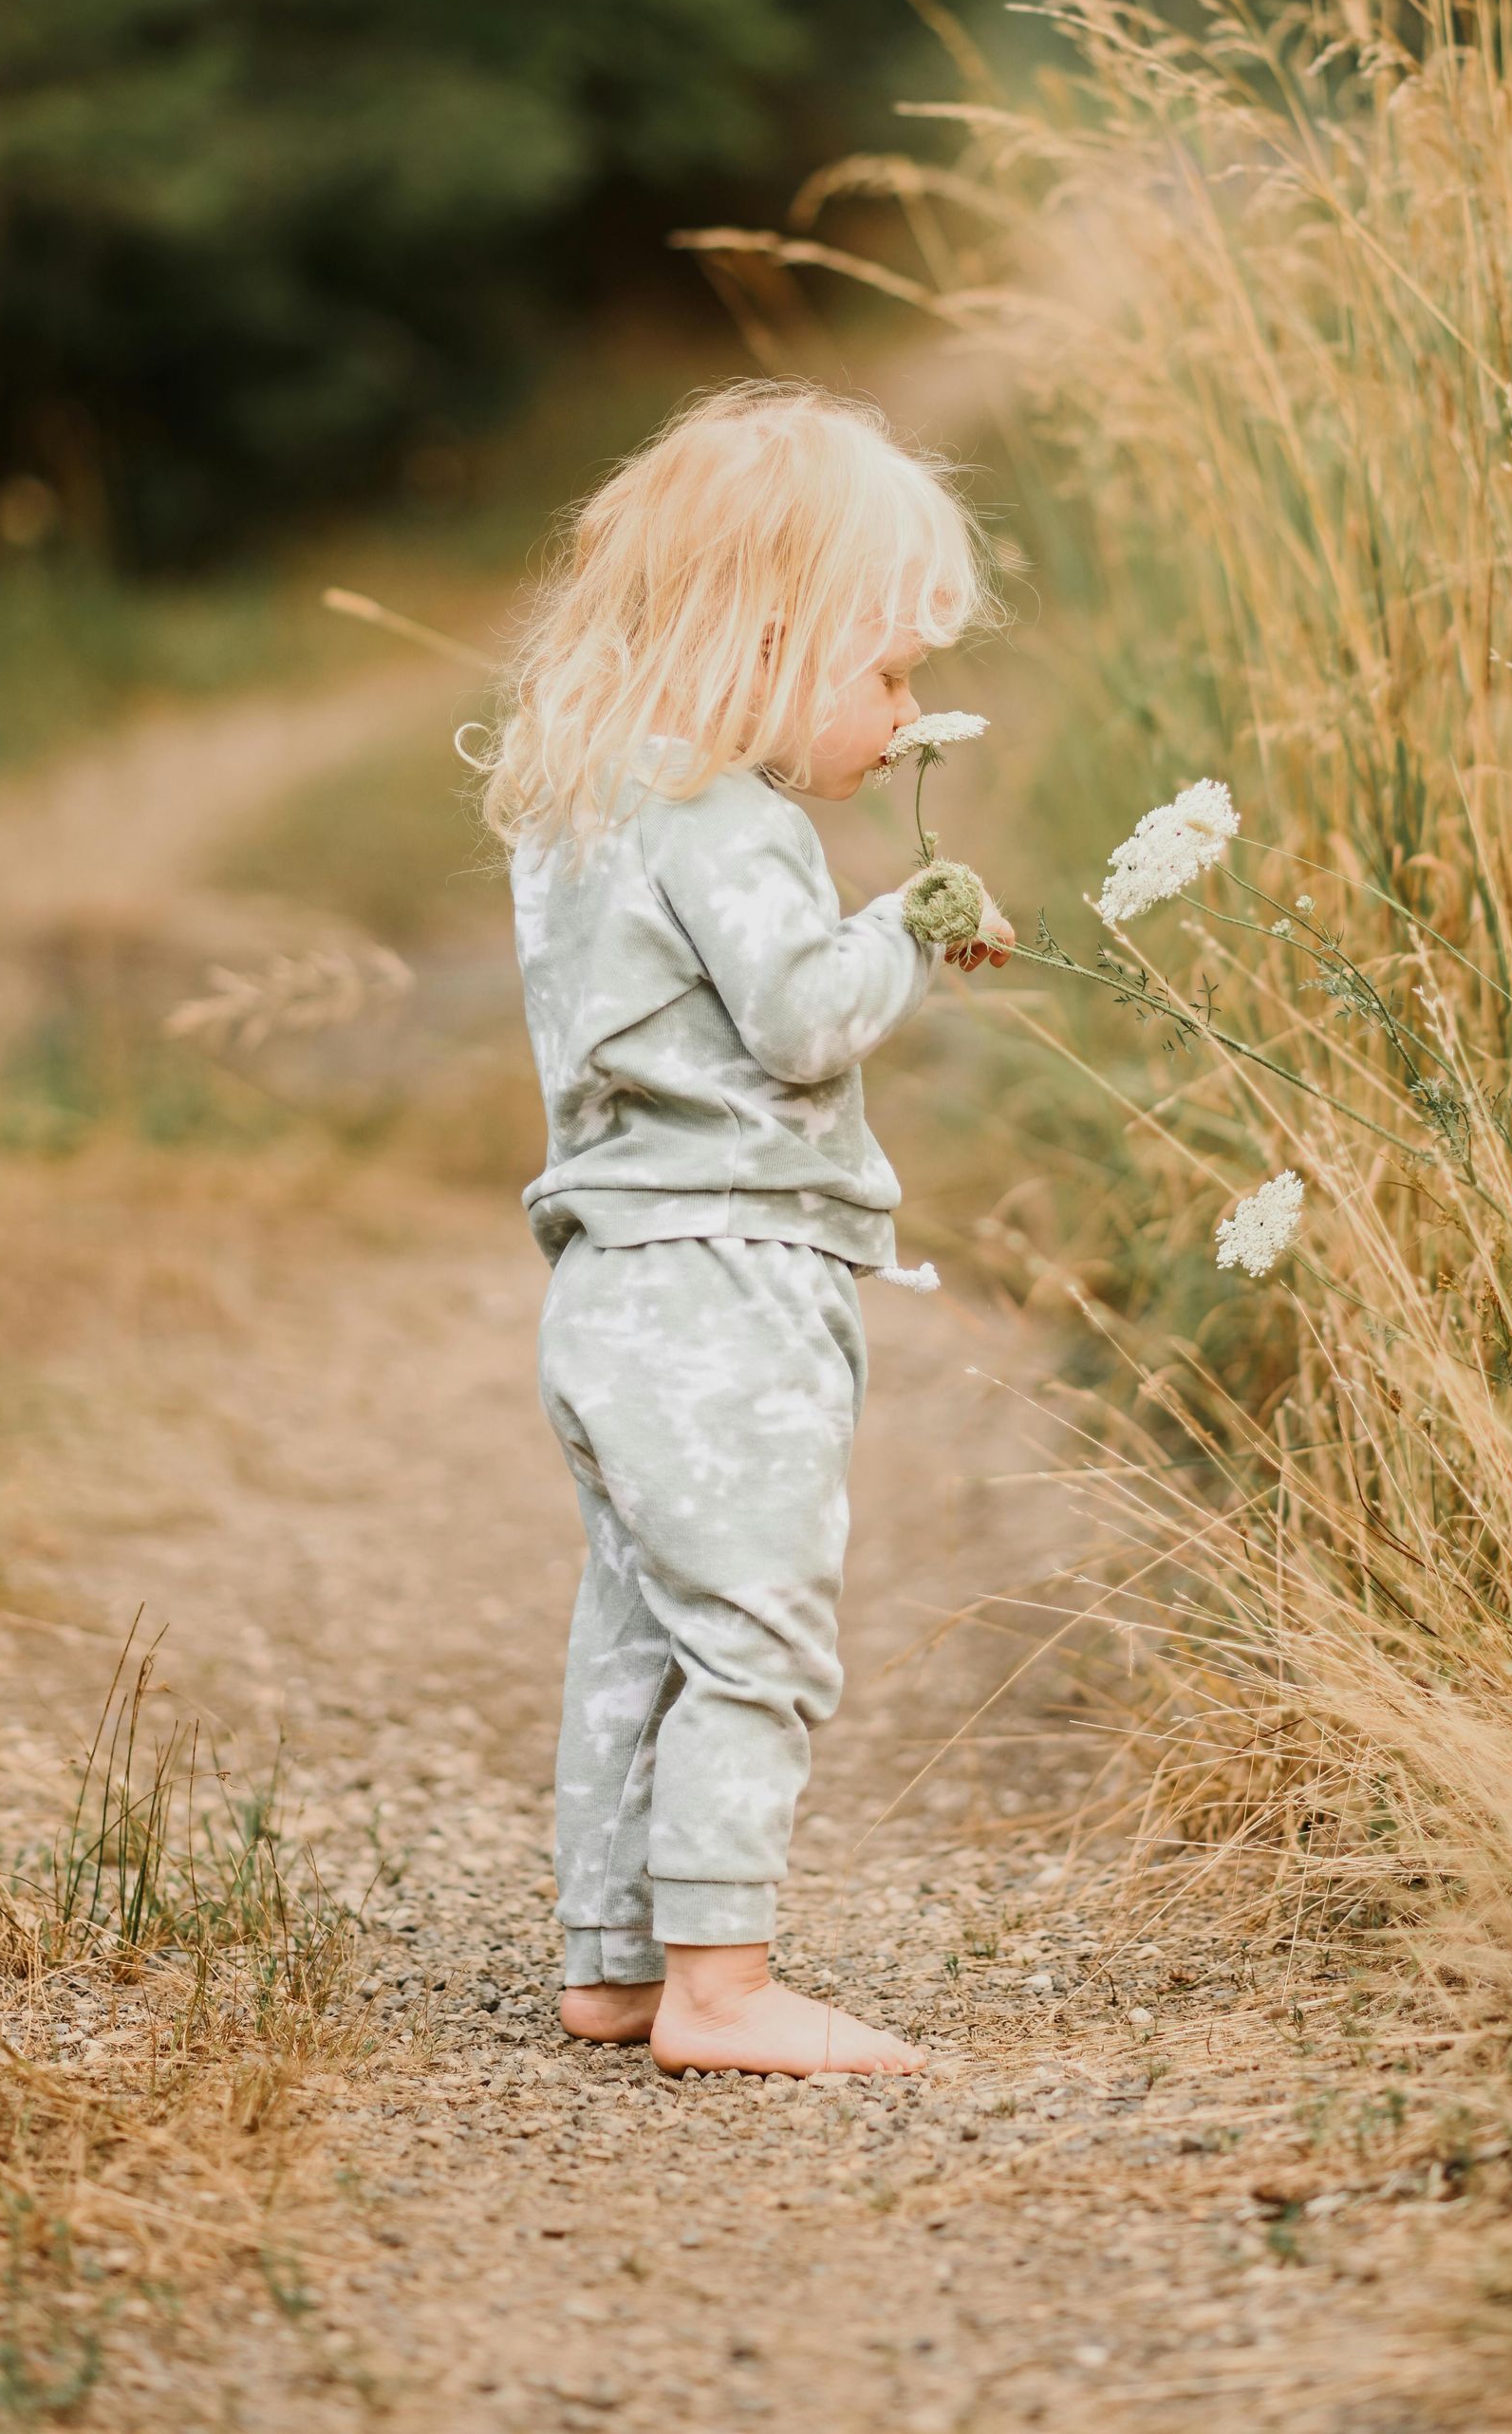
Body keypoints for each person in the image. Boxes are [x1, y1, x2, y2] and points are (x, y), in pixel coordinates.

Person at [469, 380, 1012, 2077]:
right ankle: (721, 1984)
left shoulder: (592, 806)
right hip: (728, 1280)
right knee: (763, 1627)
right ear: (772, 641)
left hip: (616, 1283)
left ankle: (615, 1960)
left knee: (643, 1626)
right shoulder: (731, 814)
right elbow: (795, 1017)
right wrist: (913, 923)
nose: (908, 712)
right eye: (891, 672)